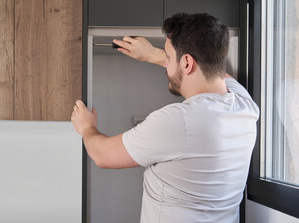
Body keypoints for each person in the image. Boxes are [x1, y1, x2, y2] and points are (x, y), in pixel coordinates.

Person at [71, 13, 259, 223]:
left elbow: (103, 155)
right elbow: (221, 77)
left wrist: (87, 128)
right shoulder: (245, 106)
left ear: (187, 62)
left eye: (168, 57)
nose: (166, 63)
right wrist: (153, 55)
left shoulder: (179, 120)